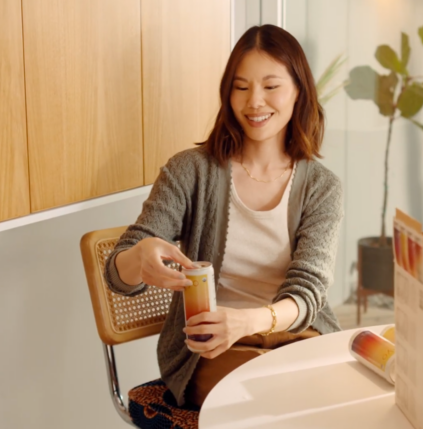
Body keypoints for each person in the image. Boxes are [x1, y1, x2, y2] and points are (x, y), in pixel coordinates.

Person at [104, 24, 344, 408]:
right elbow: (119, 275)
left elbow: (308, 291)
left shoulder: (322, 187)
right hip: (210, 349)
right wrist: (139, 257)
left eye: (271, 86)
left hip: (295, 335)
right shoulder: (190, 171)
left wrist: (249, 321)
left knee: (332, 395)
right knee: (271, 401)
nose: (254, 102)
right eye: (241, 86)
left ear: (299, 91)